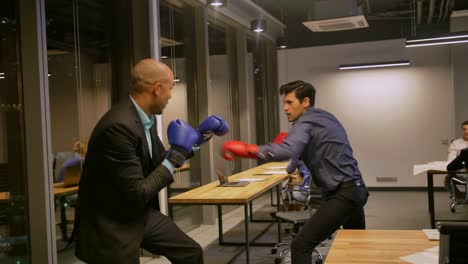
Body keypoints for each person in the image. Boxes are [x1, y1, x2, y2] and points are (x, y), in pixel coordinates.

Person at [73, 59, 228, 264]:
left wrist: (198, 139)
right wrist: (176, 155)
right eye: (170, 88)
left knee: (190, 253)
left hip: (136, 213)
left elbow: (156, 163)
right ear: (157, 89)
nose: (170, 96)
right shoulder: (118, 127)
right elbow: (139, 191)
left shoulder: (145, 119)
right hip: (110, 223)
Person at [221, 80, 369, 264]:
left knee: (300, 245)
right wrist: (285, 150)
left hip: (343, 194)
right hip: (356, 189)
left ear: (305, 102)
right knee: (355, 246)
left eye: (289, 102)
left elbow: (287, 151)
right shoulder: (324, 118)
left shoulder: (306, 121)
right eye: (284, 103)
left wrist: (249, 149)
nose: (285, 108)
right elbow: (295, 155)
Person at [445, 121, 468, 196]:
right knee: (448, 179)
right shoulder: (455, 143)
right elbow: (451, 161)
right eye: (464, 129)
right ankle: (461, 197)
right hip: (460, 172)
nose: (466, 131)